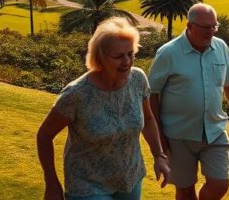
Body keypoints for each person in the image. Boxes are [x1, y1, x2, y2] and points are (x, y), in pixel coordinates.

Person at [37, 17, 170, 200]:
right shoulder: (77, 94)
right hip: (87, 184)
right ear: (99, 58)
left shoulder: (138, 80)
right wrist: (51, 183)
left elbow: (147, 120)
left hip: (129, 179)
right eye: (118, 56)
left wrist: (159, 156)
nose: (126, 62)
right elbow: (44, 135)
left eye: (130, 54)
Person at [148, 3, 229, 200]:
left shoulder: (221, 48)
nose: (210, 31)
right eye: (205, 27)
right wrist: (159, 133)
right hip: (178, 134)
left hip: (214, 130)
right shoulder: (168, 53)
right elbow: (152, 94)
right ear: (189, 26)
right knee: (185, 190)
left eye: (214, 26)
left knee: (220, 185)